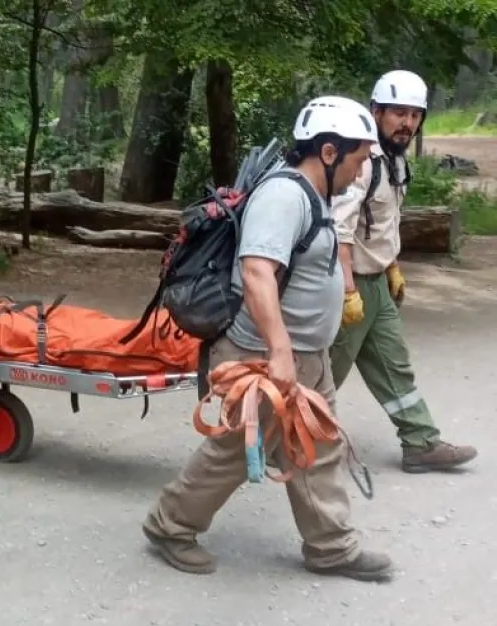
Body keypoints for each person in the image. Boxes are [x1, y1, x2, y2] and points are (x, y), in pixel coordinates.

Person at [142, 95, 394, 582]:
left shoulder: (314, 195)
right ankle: (169, 525)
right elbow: (257, 271)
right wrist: (279, 352)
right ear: (328, 151)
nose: (362, 172)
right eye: (359, 159)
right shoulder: (284, 196)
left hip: (305, 357)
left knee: (319, 448)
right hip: (264, 356)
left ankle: (331, 547)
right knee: (235, 450)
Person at [330, 70, 477, 474]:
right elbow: (340, 232)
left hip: (376, 284)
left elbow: (382, 224)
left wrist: (392, 267)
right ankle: (277, 441)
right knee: (324, 374)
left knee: (395, 366)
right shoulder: (361, 161)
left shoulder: (395, 162)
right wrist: (346, 292)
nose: (407, 123)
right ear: (375, 111)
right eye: (398, 112)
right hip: (350, 286)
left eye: (414, 115)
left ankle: (420, 442)